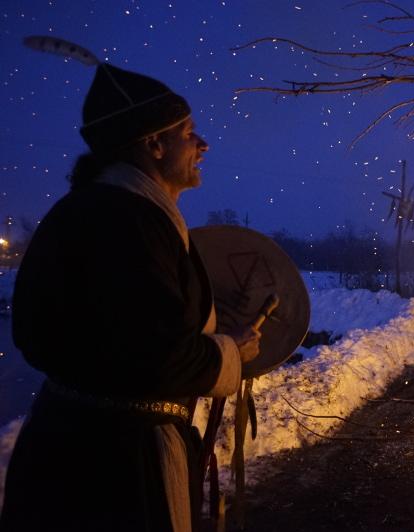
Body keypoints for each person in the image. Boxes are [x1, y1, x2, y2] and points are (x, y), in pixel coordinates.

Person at [0, 55, 261, 531]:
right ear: (154, 143)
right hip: (117, 475)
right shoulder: (128, 223)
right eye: (188, 133)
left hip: (66, 450)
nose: (203, 144)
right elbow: (158, 360)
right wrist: (230, 352)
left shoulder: (90, 210)